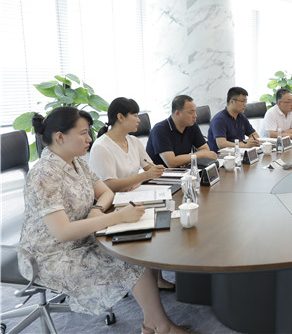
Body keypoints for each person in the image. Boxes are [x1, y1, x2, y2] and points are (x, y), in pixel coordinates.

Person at [21, 107, 195, 334]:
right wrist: (117, 216)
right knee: (130, 261)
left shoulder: (77, 163)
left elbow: (106, 192)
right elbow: (62, 232)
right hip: (50, 255)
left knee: (137, 246)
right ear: (60, 137)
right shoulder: (44, 174)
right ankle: (163, 327)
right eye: (83, 133)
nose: (89, 139)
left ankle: (151, 324)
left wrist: (97, 209)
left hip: (85, 236)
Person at [89, 97, 174, 291]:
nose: (139, 119)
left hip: (135, 196)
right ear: (120, 117)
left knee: (164, 215)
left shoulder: (134, 141)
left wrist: (148, 174)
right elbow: (109, 185)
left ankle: (156, 276)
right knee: (153, 220)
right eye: (135, 115)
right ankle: (147, 278)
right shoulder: (102, 147)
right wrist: (141, 177)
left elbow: (149, 167)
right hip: (113, 206)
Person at [146, 95, 217, 167]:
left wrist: (185, 160)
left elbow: (205, 150)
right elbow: (171, 163)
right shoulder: (160, 130)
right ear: (178, 113)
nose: (195, 115)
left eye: (195, 111)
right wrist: (198, 155)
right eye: (191, 112)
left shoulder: (191, 125)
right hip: (163, 172)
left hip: (183, 170)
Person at [207, 87, 260, 152]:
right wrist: (244, 145)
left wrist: (246, 142)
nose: (245, 105)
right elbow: (221, 144)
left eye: (246, 101)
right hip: (221, 156)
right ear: (232, 102)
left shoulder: (241, 117)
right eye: (243, 101)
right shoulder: (219, 119)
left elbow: (255, 135)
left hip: (239, 153)